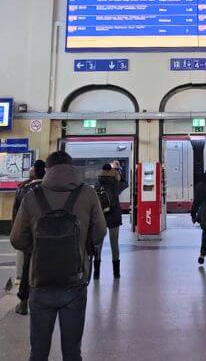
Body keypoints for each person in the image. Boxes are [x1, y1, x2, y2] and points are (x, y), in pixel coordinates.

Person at [10, 150, 106, 361]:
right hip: (75, 282)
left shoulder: (32, 196)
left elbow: (16, 239)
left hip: (40, 282)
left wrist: (37, 248)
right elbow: (99, 232)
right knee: (72, 352)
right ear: (72, 168)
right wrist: (81, 245)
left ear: (47, 170)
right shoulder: (87, 194)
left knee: (39, 352)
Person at [12, 159, 46, 315]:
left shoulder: (23, 190)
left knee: (27, 269)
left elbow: (16, 217)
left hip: (30, 238)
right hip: (49, 237)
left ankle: (24, 302)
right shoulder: (52, 189)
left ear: (33, 171)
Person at [93, 160, 128, 279]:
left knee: (98, 244)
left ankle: (96, 273)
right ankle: (116, 273)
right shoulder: (115, 183)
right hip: (114, 216)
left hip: (100, 216)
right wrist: (118, 172)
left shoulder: (97, 183)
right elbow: (125, 183)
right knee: (114, 243)